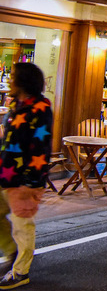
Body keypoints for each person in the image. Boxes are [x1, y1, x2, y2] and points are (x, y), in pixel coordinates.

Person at [0, 63, 53, 289]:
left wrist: (32, 181)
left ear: (23, 82)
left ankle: (20, 271)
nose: (9, 81)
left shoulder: (41, 108)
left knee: (23, 227)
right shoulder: (17, 105)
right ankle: (13, 253)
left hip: (24, 179)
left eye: (13, 77)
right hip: (5, 174)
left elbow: (41, 147)